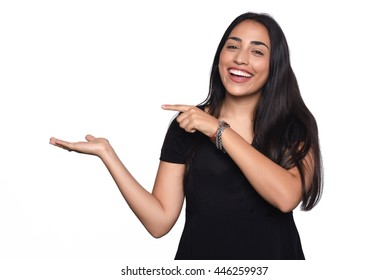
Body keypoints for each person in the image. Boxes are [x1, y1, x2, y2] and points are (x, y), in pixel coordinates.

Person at [50, 12, 323, 260]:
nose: (241, 58)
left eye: (257, 52)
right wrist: (108, 155)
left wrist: (217, 130)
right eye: (233, 46)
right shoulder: (187, 126)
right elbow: (159, 222)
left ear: (275, 65)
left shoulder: (295, 126)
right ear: (220, 56)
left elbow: (286, 196)